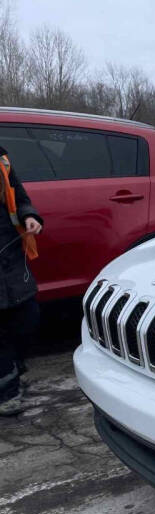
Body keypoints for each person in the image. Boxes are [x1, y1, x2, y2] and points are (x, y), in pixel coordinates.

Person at [0, 146, 43, 417]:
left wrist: (29, 216)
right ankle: (8, 392)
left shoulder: (2, 159)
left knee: (28, 317)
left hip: (10, 252)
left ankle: (14, 368)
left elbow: (19, 194)